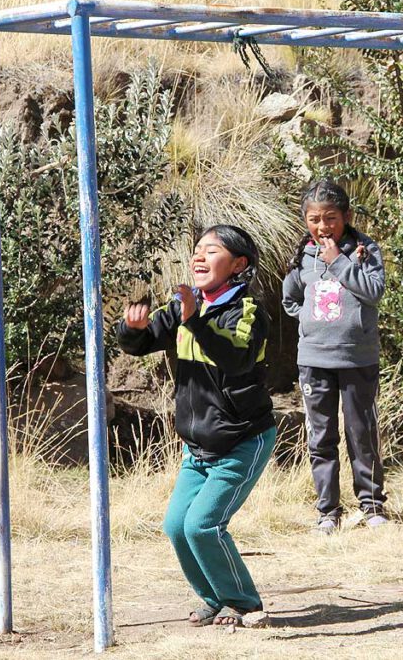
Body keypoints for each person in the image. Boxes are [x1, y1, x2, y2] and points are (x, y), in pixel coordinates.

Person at [116, 225, 275, 629]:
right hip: (198, 446)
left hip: (242, 439)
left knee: (203, 525)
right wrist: (132, 329)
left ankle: (243, 603)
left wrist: (196, 321)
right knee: (176, 526)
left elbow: (236, 358)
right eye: (197, 249)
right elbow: (141, 343)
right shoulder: (183, 306)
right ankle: (213, 599)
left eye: (212, 250)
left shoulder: (248, 310)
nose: (199, 257)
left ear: (238, 265)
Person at [282, 179, 388, 534]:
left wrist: (340, 263)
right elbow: (290, 298)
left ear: (347, 216)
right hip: (314, 359)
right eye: (314, 219)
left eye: (330, 218)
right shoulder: (302, 255)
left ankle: (372, 505)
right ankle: (328, 512)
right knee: (321, 437)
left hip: (357, 357)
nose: (323, 226)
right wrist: (310, 318)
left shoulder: (365, 250)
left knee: (361, 432)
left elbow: (374, 292)